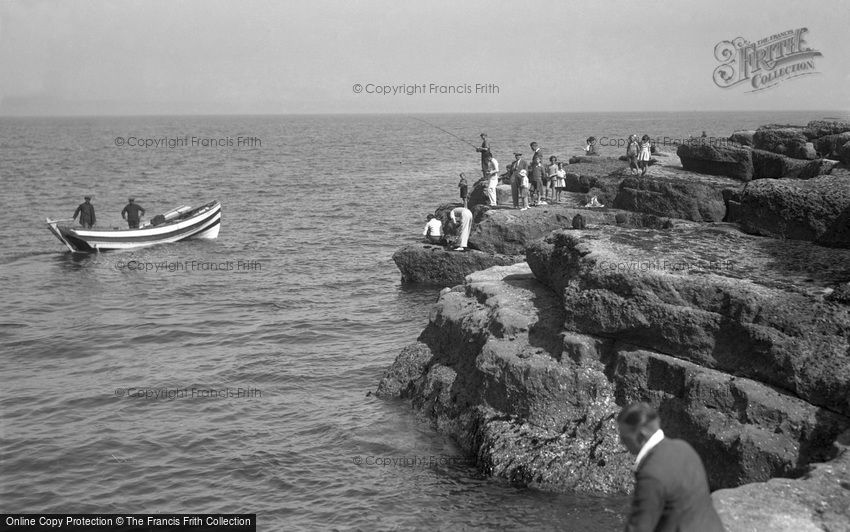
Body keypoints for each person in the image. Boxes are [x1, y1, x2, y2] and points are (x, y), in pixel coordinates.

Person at [617, 402, 724, 532]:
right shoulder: (684, 447)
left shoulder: (650, 474)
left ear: (642, 436)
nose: (622, 442)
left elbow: (639, 527)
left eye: (625, 438)